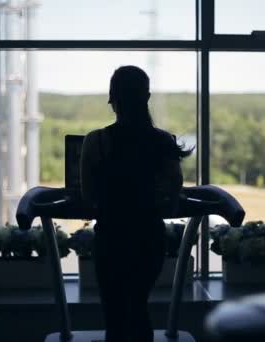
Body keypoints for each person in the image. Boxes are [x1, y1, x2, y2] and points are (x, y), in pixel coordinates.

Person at [80, 65, 192, 342]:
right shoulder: (164, 142)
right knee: (139, 307)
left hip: (111, 239)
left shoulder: (97, 142)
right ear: (147, 97)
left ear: (112, 98)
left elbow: (88, 196)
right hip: (149, 239)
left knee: (115, 315)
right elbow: (172, 195)